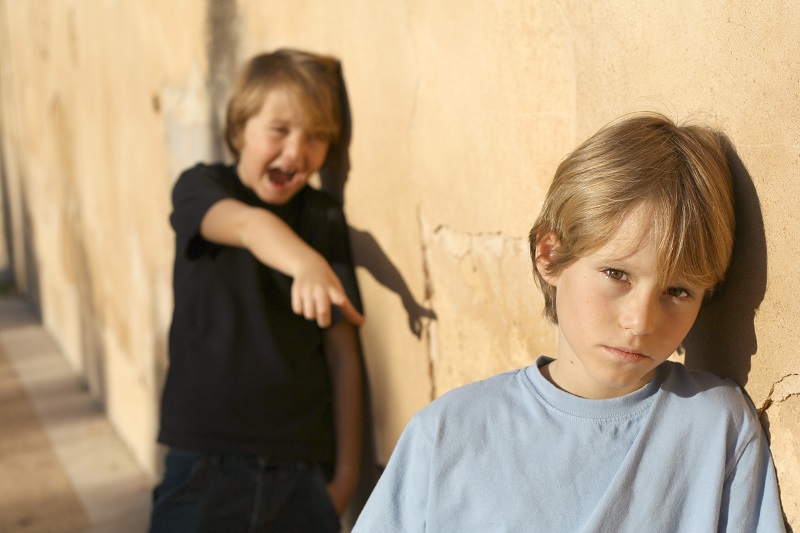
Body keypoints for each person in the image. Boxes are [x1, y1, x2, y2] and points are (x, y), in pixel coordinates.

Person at [352, 113, 787, 532]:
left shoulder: (716, 427)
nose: (641, 321)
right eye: (617, 274)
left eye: (678, 291)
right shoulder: (448, 433)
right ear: (549, 255)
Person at [149, 48, 364, 533]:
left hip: (302, 476)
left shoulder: (323, 218)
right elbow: (246, 226)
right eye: (279, 130)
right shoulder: (200, 188)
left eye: (317, 136)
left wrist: (346, 478)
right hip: (204, 466)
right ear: (240, 127)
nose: (296, 151)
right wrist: (304, 262)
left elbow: (344, 358)